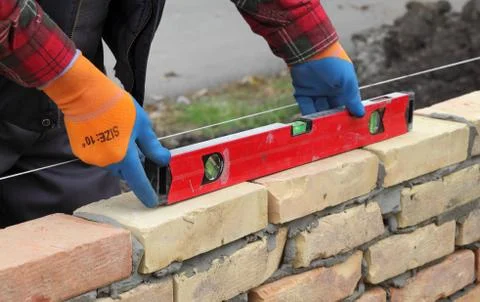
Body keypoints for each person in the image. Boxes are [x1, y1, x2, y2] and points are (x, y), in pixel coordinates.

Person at [0, 0, 364, 227]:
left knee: (82, 260)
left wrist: (305, 33)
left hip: (62, 103)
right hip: (63, 79)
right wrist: (74, 86)